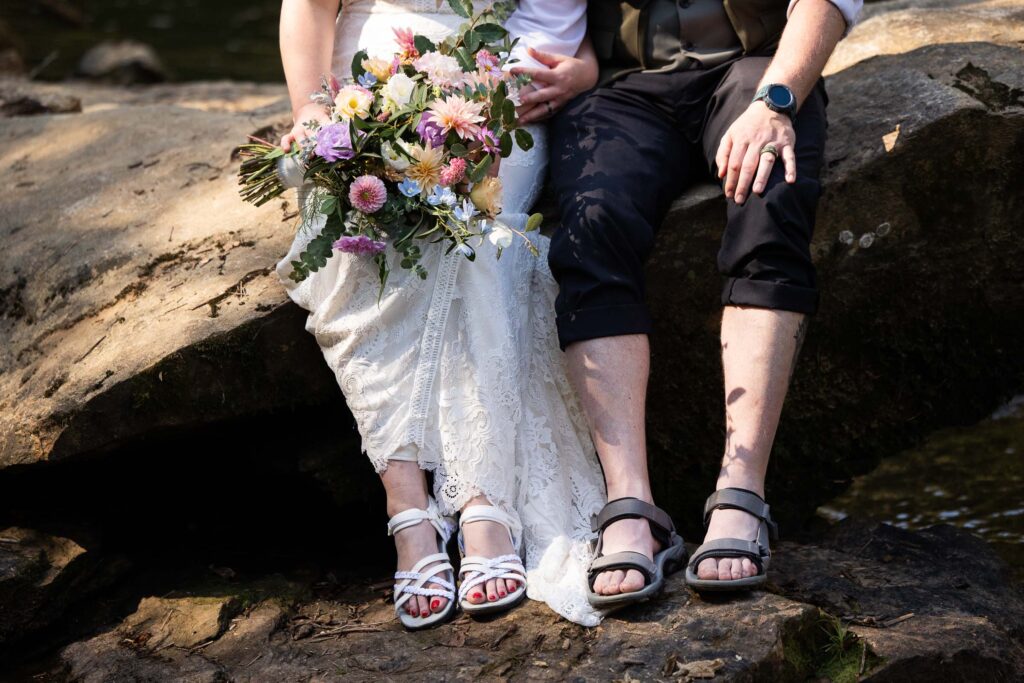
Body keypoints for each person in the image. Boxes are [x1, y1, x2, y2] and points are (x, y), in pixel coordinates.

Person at [275, 0, 608, 628]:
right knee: (356, 239)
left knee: (481, 242)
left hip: (497, 102)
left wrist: (583, 71)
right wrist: (312, 107)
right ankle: (408, 513)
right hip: (365, 87)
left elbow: (569, 25)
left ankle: (484, 501)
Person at [547, 0, 863, 602]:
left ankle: (742, 493)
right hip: (623, 88)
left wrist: (778, 101)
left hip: (755, 71)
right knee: (591, 226)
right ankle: (629, 506)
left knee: (770, 191)